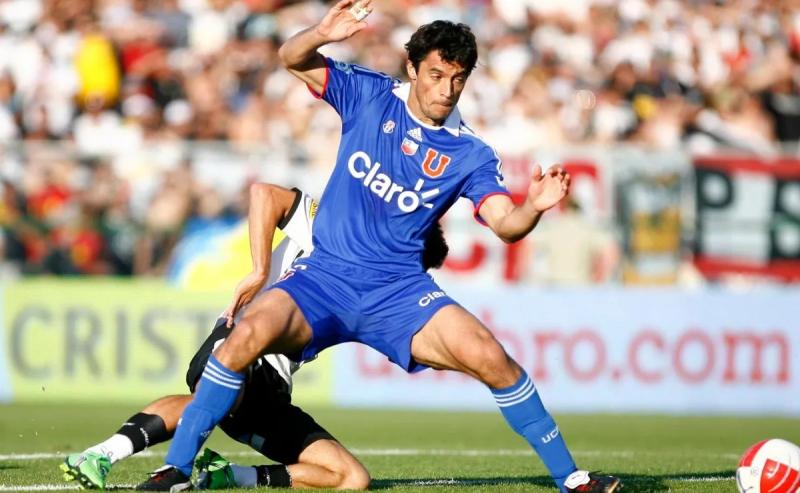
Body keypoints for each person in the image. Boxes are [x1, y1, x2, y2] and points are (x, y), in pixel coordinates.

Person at [140, 2, 620, 492]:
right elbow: (291, 57)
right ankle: (174, 471)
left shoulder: (471, 154)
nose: (446, 89)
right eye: (436, 75)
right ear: (412, 68)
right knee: (243, 338)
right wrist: (321, 32)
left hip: (397, 293)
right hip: (323, 280)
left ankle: (572, 480)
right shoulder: (369, 95)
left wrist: (533, 206)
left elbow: (505, 225)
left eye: (458, 79)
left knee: (490, 356)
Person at [61, 183, 449, 491]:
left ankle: (229, 475)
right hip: (245, 339)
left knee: (351, 477)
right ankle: (101, 454)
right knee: (215, 397)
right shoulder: (334, 227)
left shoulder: (374, 285)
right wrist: (260, 270)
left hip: (273, 388)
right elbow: (265, 194)